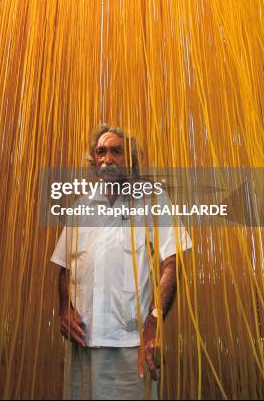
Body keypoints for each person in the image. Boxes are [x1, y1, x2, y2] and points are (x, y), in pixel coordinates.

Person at [50, 124, 192, 400]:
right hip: (83, 346)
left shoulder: (153, 201)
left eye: (117, 151)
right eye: (101, 152)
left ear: (131, 161)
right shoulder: (81, 207)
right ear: (94, 161)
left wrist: (154, 323)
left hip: (131, 347)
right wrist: (65, 308)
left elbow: (173, 263)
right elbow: (64, 268)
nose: (107, 159)